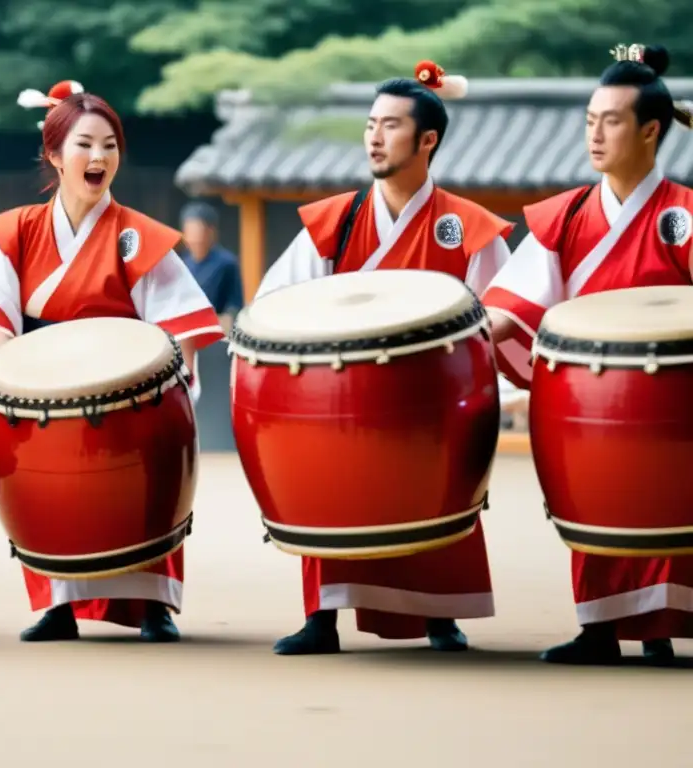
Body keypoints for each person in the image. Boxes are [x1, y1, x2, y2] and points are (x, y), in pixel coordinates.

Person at [0, 79, 224, 642]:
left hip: (125, 390)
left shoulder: (136, 236)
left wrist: (175, 387)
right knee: (53, 492)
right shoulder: (18, 231)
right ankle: (58, 604)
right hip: (47, 388)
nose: (99, 157)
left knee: (139, 491)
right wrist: (17, 382)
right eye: (84, 144)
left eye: (110, 145)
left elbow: (181, 324)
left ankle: (152, 606)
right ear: (54, 154)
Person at [256, 61, 514, 655]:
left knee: (436, 487)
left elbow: (497, 316)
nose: (374, 136)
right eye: (370, 124)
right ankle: (321, 615)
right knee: (327, 490)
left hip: (431, 402)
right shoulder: (333, 222)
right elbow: (275, 304)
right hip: (340, 397)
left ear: (427, 140)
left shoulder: (468, 228)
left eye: (390, 126)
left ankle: (440, 613)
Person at [484, 43, 693, 665]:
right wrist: (460, 335)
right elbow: (513, 304)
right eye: (589, 121)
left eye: (612, 121)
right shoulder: (567, 215)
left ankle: (663, 628)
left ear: (651, 131)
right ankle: (600, 627)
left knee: (675, 512)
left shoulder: (681, 215)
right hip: (591, 393)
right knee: (595, 506)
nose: (595, 134)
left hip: (674, 394)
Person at [179, 201, 244, 331]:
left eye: (197, 230)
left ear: (211, 231)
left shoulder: (226, 263)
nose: (193, 237)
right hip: (183, 330)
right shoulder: (181, 263)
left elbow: (234, 306)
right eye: (189, 230)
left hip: (214, 331)